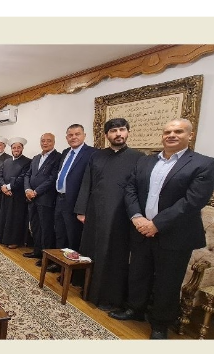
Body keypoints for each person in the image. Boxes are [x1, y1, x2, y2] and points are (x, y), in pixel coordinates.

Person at [109, 118, 214, 339]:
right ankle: (135, 309)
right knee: (138, 274)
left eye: (178, 131)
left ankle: (160, 324)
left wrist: (156, 224)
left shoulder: (205, 164)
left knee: (167, 282)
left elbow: (193, 201)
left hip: (175, 235)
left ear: (190, 135)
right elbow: (130, 189)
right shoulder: (145, 161)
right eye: (167, 131)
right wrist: (137, 217)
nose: (171, 135)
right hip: (141, 230)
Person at [73, 118, 144, 310]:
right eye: (113, 131)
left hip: (121, 216)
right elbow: (86, 183)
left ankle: (110, 298)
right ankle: (88, 289)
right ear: (106, 135)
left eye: (122, 130)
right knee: (91, 250)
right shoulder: (96, 156)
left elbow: (139, 189)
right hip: (95, 213)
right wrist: (81, 210)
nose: (118, 134)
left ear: (128, 132)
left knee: (114, 255)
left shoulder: (139, 158)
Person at [50, 124, 97, 282]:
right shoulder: (65, 152)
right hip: (60, 199)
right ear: (66, 137)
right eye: (70, 135)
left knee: (73, 238)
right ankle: (60, 265)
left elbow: (90, 183)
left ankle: (72, 274)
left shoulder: (92, 154)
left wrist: (82, 208)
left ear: (84, 136)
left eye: (77, 134)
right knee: (60, 234)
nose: (74, 137)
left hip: (75, 203)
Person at [23, 133, 62, 266]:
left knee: (46, 229)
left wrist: (36, 191)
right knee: (35, 226)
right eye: (43, 141)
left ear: (54, 142)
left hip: (45, 198)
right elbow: (27, 175)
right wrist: (27, 190)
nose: (45, 143)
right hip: (31, 198)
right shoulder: (36, 158)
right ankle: (37, 251)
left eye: (48, 141)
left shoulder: (58, 157)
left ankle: (46, 257)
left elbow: (52, 178)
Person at [0, 137, 31, 249]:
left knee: (15, 218)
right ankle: (3, 238)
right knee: (5, 216)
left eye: (18, 147)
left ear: (22, 148)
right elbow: (0, 176)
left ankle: (14, 240)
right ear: (11, 149)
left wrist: (8, 187)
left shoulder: (27, 162)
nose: (16, 149)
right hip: (6, 194)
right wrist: (3, 187)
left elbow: (23, 178)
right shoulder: (7, 161)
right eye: (14, 147)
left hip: (17, 196)